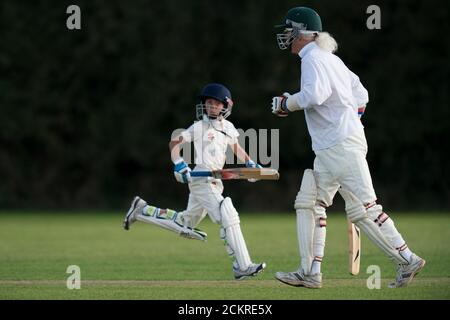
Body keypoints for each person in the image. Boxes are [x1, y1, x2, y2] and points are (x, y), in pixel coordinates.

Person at [271, 7, 425, 288]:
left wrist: (286, 103)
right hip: (335, 145)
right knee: (311, 202)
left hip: (339, 145)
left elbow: (315, 95)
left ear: (302, 33)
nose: (285, 35)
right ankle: (311, 272)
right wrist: (348, 120)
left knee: (366, 207)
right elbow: (361, 95)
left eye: (289, 30)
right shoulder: (331, 59)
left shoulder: (313, 60)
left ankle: (407, 258)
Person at [123, 83, 266, 280]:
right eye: (208, 103)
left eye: (216, 103)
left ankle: (141, 210)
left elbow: (237, 149)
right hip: (201, 180)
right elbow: (175, 143)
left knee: (185, 223)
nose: (211, 107)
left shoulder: (229, 128)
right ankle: (242, 265)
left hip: (215, 181)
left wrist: (250, 164)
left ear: (225, 106)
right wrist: (179, 163)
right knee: (227, 214)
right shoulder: (199, 127)